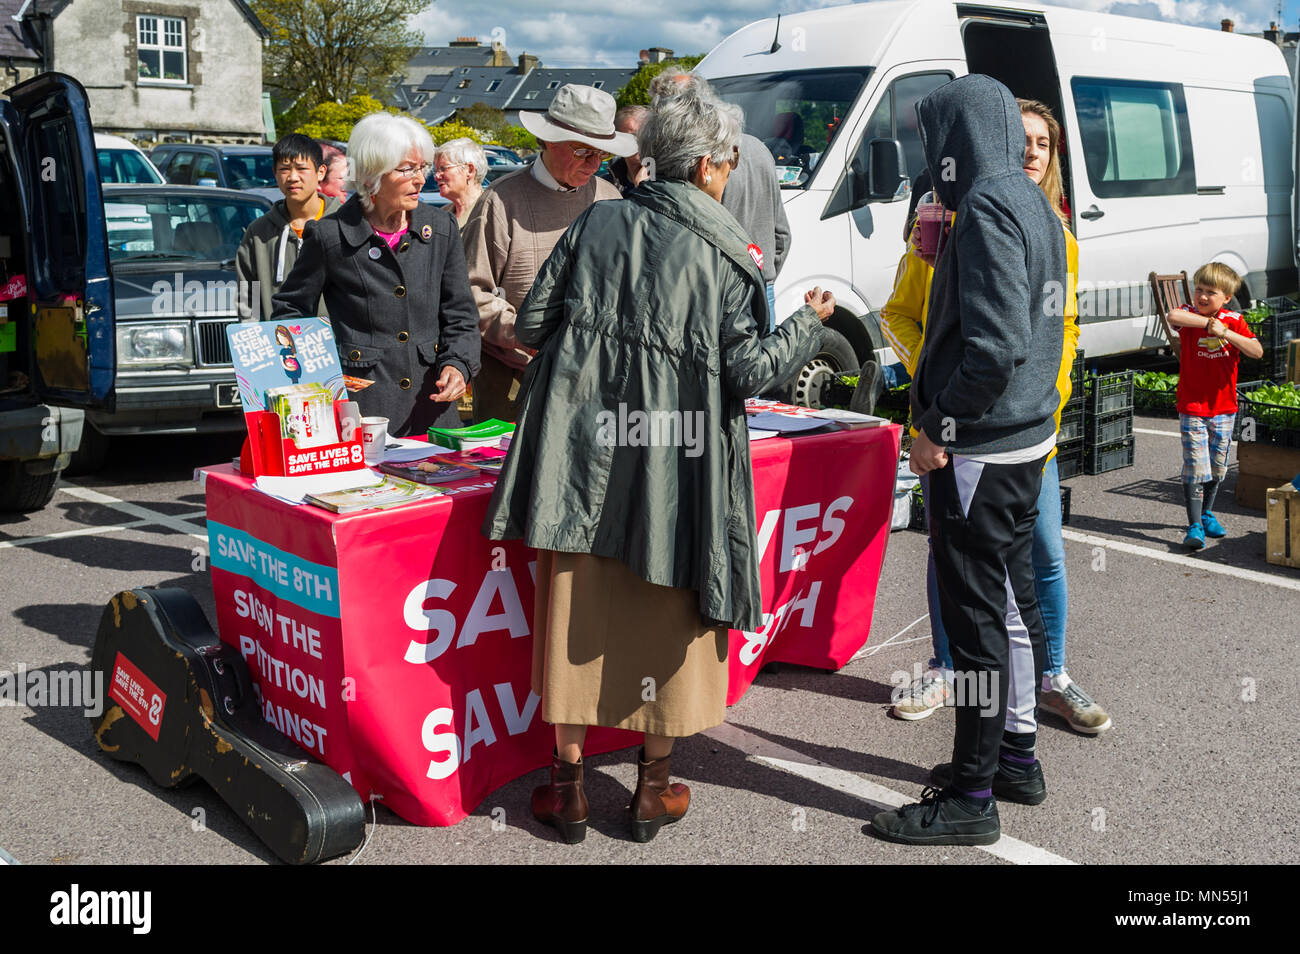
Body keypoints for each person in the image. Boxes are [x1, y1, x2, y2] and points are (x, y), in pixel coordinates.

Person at [481, 87, 833, 845]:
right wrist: (811, 323)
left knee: (575, 611)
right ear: (707, 166)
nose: (730, 171)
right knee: (670, 612)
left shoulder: (596, 222)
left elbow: (536, 324)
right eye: (728, 160)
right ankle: (654, 787)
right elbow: (749, 373)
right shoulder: (731, 259)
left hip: (583, 461)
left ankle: (566, 789)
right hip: (678, 468)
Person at [869, 74, 1066, 846]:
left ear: (961, 134)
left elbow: (992, 347)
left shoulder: (985, 204)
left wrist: (938, 428)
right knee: (1011, 611)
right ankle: (1014, 758)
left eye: (935, 135)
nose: (932, 151)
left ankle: (972, 798)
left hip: (980, 446)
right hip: (1026, 439)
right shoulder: (1027, 196)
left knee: (976, 626)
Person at [888, 100, 1112, 740]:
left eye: (1044, 144)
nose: (1033, 153)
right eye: (1025, 141)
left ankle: (1050, 679)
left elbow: (1048, 334)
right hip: (958, 423)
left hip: (1013, 428)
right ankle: (951, 671)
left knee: (1038, 555)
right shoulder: (937, 230)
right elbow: (902, 317)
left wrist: (1047, 397)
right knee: (953, 558)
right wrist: (932, 383)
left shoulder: (1051, 232)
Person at [271, 112, 480, 436]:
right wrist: (321, 377)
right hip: (361, 415)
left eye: (421, 167)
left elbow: (460, 313)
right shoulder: (330, 236)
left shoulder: (441, 227)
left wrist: (458, 363)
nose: (420, 179)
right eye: (407, 169)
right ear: (371, 176)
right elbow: (290, 311)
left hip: (434, 413)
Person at [462, 84, 635, 423]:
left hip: (592, 379)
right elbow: (470, 292)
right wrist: (525, 334)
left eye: (602, 154)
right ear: (549, 140)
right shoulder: (500, 201)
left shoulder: (610, 197)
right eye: (584, 151)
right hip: (514, 383)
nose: (594, 164)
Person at [649, 70, 791, 330]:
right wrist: (762, 280)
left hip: (715, 297)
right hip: (761, 289)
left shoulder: (695, 162)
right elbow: (781, 235)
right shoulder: (759, 148)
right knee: (763, 367)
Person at [1167, 263, 1262, 548]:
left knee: (1217, 466)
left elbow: (1256, 351)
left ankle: (1208, 514)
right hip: (1193, 406)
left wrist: (1226, 333)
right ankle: (1194, 525)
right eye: (1199, 289)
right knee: (1195, 466)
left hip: (1224, 408)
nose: (1203, 296)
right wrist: (1209, 324)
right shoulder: (1189, 314)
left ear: (1227, 297)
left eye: (1211, 292)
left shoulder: (1234, 320)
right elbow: (1173, 315)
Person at [235, 133, 342, 321]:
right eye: (284, 169)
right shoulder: (259, 233)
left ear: (321, 172)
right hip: (279, 344)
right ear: (275, 173)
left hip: (333, 345)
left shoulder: (344, 225)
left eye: (302, 169)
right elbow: (248, 298)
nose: (293, 177)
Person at [434, 138, 487, 227]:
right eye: (436, 170)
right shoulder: (441, 215)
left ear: (469, 170)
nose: (436, 176)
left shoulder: (489, 212)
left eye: (443, 169)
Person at [607, 105, 651, 197]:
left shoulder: (669, 181)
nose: (641, 142)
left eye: (646, 135)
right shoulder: (606, 185)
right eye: (633, 136)